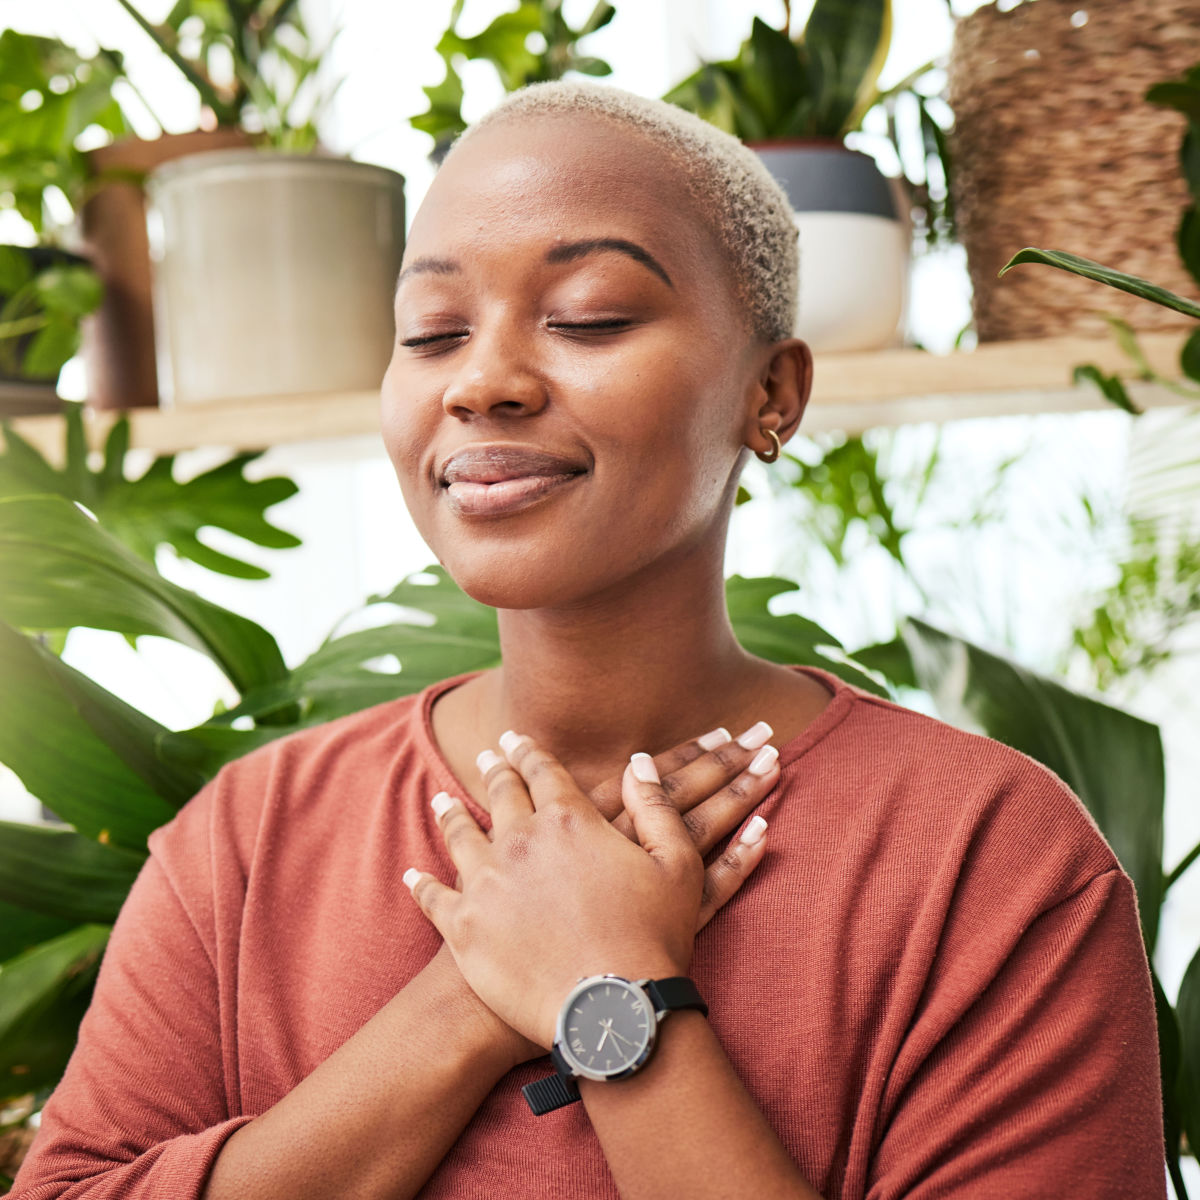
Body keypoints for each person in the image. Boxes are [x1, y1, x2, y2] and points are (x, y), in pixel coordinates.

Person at [12, 82, 1164, 1200]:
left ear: (772, 393)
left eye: (589, 318)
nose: (484, 381)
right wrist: (469, 996)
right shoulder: (247, 843)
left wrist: (612, 995)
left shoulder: (991, 865)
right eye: (432, 331)